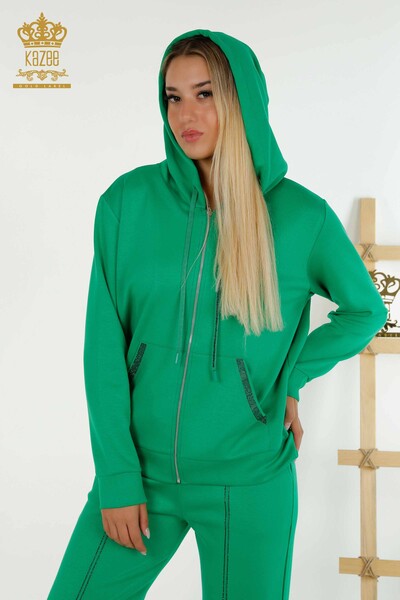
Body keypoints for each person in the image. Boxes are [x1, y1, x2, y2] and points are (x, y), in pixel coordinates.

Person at [47, 29, 387, 600]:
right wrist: (117, 477)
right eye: (173, 97)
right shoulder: (126, 203)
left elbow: (364, 311)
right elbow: (102, 350)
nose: (187, 114)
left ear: (241, 97)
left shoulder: (301, 216)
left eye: (205, 94)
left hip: (248, 478)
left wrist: (291, 378)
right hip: (142, 477)